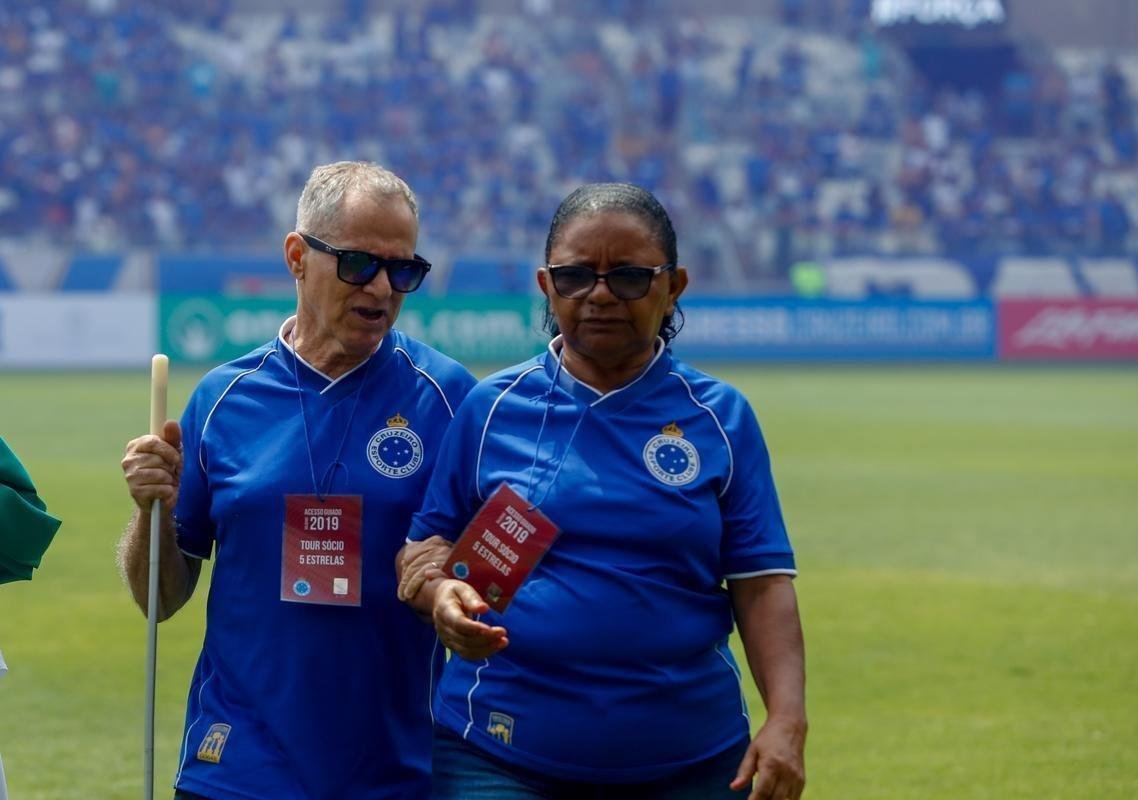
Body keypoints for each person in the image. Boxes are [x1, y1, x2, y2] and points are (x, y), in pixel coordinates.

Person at [398, 183, 807, 799]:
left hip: (693, 760)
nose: (600, 295)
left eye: (630, 278)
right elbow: (425, 545)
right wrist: (440, 596)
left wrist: (787, 721)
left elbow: (762, 582)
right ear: (545, 285)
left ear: (674, 286)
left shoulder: (720, 417)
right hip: (497, 755)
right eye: (575, 276)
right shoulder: (491, 409)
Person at [118, 161, 476, 799]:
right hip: (235, 766)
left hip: (395, 772)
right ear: (296, 256)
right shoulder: (222, 399)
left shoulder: (449, 399)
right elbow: (161, 599)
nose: (383, 288)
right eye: (361, 263)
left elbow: (485, 586)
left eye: (404, 270)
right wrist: (151, 511)